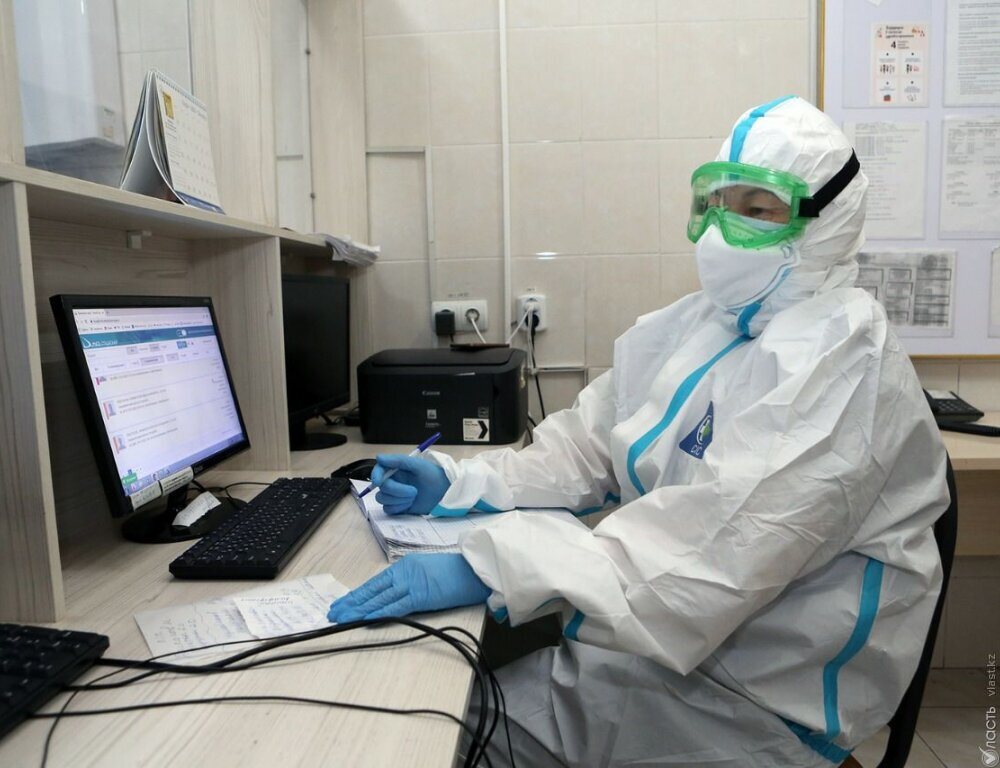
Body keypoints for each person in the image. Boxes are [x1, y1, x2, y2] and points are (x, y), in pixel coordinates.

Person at [327, 96, 949, 767]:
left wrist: (488, 565)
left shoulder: (844, 358)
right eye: (718, 203)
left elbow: (712, 549)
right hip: (657, 665)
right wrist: (461, 481)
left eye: (757, 209)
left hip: (755, 712)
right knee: (434, 712)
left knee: (436, 732)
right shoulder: (700, 324)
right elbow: (585, 446)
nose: (722, 231)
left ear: (825, 219)